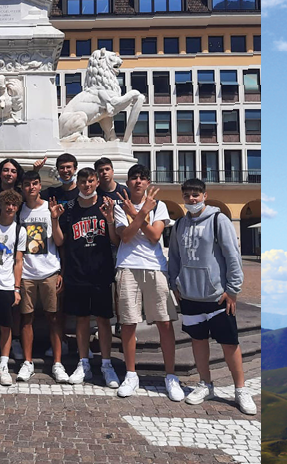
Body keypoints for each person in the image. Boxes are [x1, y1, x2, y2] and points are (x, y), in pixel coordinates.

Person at [169, 179, 254, 414]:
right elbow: (174, 257)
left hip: (217, 296)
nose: (192, 199)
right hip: (190, 296)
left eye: (196, 195)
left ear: (205, 195)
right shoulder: (179, 225)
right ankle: (205, 384)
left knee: (229, 344)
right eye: (187, 195)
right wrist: (174, 283)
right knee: (198, 342)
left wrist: (233, 290)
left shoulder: (219, 220)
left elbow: (232, 256)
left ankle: (240, 389)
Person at [113, 164, 183, 399]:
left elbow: (154, 236)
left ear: (148, 182)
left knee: (164, 321)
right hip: (128, 267)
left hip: (155, 267)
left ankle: (171, 376)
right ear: (128, 182)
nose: (138, 182)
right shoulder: (120, 205)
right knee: (128, 322)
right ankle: (131, 374)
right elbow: (125, 236)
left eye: (143, 178)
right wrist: (141, 213)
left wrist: (136, 214)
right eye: (134, 178)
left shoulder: (160, 206)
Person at [57, 168, 118, 387]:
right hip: (77, 271)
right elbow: (60, 241)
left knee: (103, 320)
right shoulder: (70, 208)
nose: (86, 185)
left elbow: (116, 240)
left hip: (101, 271)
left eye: (90, 181)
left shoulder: (106, 204)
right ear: (77, 182)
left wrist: (110, 220)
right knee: (81, 319)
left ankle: (106, 364)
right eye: (82, 181)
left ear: (96, 181)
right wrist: (55, 220)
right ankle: (83, 363)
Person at [15, 172, 60, 383]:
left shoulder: (49, 207)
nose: (31, 187)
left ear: (40, 185)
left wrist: (55, 219)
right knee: (26, 318)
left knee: (53, 318)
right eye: (27, 184)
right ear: (22, 187)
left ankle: (58, 363)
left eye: (34, 183)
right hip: (26, 273)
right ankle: (27, 362)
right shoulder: (18, 210)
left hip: (50, 270)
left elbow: (60, 242)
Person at [0, 191, 25, 386]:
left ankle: (3, 365)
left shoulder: (20, 231)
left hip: (6, 284)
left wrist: (17, 288)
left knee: (6, 326)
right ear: (1, 205)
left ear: (17, 207)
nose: (10, 208)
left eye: (13, 205)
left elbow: (18, 261)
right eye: (7, 204)